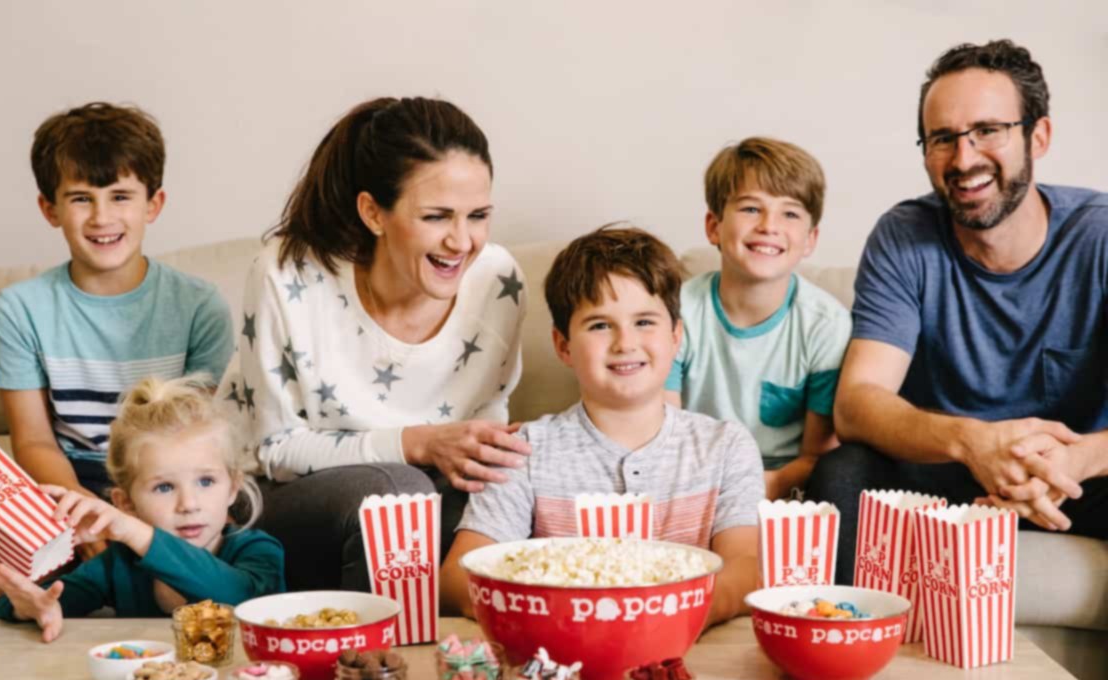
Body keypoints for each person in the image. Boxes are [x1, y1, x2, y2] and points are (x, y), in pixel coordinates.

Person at [807, 39, 1108, 583]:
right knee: (843, 473)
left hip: (1072, 478)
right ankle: (856, 658)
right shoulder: (903, 238)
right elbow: (856, 404)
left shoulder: (1100, 236)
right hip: (946, 471)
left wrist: (1078, 459)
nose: (964, 159)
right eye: (943, 138)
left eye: (988, 130)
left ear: (1037, 136)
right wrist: (974, 443)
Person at [220, 97, 529, 592]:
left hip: (423, 494)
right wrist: (418, 443)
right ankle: (374, 663)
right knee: (397, 495)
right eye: (436, 216)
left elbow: (484, 426)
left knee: (512, 491)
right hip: (275, 496)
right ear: (373, 213)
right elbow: (274, 449)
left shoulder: (498, 279)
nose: (462, 241)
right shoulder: (287, 273)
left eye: (478, 215)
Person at [439, 226, 765, 626]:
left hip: (685, 644)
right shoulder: (525, 451)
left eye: (644, 322)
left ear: (676, 336)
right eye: (599, 325)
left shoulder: (725, 446)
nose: (624, 343)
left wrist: (679, 616)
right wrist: (545, 616)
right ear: (563, 346)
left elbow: (747, 565)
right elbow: (458, 576)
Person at [0, 102, 234, 562]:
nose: (102, 218)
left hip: (165, 470)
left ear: (153, 204)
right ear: (50, 209)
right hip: (72, 474)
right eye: (81, 198)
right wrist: (84, 510)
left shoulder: (200, 305)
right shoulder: (20, 308)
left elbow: (195, 435)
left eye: (120, 196)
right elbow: (34, 440)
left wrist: (139, 514)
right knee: (12, 559)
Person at [0, 375, 285, 642]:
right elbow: (37, 602)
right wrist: (31, 606)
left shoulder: (258, 551)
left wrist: (135, 533)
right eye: (164, 487)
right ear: (126, 503)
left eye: (206, 481)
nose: (189, 504)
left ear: (233, 488)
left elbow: (240, 600)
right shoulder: (119, 564)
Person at [665, 137, 850, 500]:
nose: (769, 225)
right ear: (714, 226)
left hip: (785, 484)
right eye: (751, 208)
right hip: (696, 478)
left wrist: (768, 486)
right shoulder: (678, 312)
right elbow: (663, 435)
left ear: (810, 239)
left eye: (790, 213)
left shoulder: (826, 325)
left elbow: (818, 455)